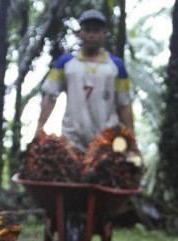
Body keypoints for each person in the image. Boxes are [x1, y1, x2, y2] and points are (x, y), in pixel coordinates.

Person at [34, 9, 135, 153]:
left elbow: (124, 104)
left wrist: (132, 139)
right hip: (71, 142)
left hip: (107, 142)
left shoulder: (116, 66)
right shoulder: (66, 63)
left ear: (104, 33)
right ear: (80, 33)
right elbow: (50, 96)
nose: (91, 35)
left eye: (96, 30)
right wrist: (39, 128)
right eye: (87, 30)